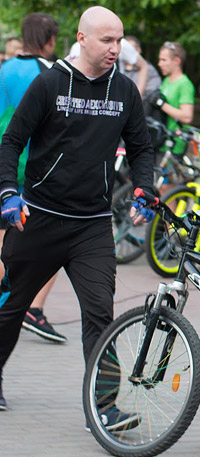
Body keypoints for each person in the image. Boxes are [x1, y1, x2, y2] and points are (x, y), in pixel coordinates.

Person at [0, 6, 155, 416]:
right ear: (82, 39)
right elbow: (11, 140)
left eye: (120, 40)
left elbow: (141, 147)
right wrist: (7, 194)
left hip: (92, 226)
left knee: (100, 315)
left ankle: (103, 410)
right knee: (11, 306)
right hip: (39, 218)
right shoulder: (49, 84)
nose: (116, 49)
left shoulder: (123, 91)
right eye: (107, 40)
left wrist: (145, 188)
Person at [0, 13, 66, 344]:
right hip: (34, 170)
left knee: (3, 240)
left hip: (4, 165)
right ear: (51, 39)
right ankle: (32, 308)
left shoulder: (5, 69)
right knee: (54, 242)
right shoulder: (51, 74)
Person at [154, 40, 194, 155]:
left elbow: (187, 117)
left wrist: (162, 104)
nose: (159, 64)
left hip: (175, 143)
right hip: (162, 139)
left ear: (177, 61)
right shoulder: (166, 80)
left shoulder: (184, 84)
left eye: (163, 60)